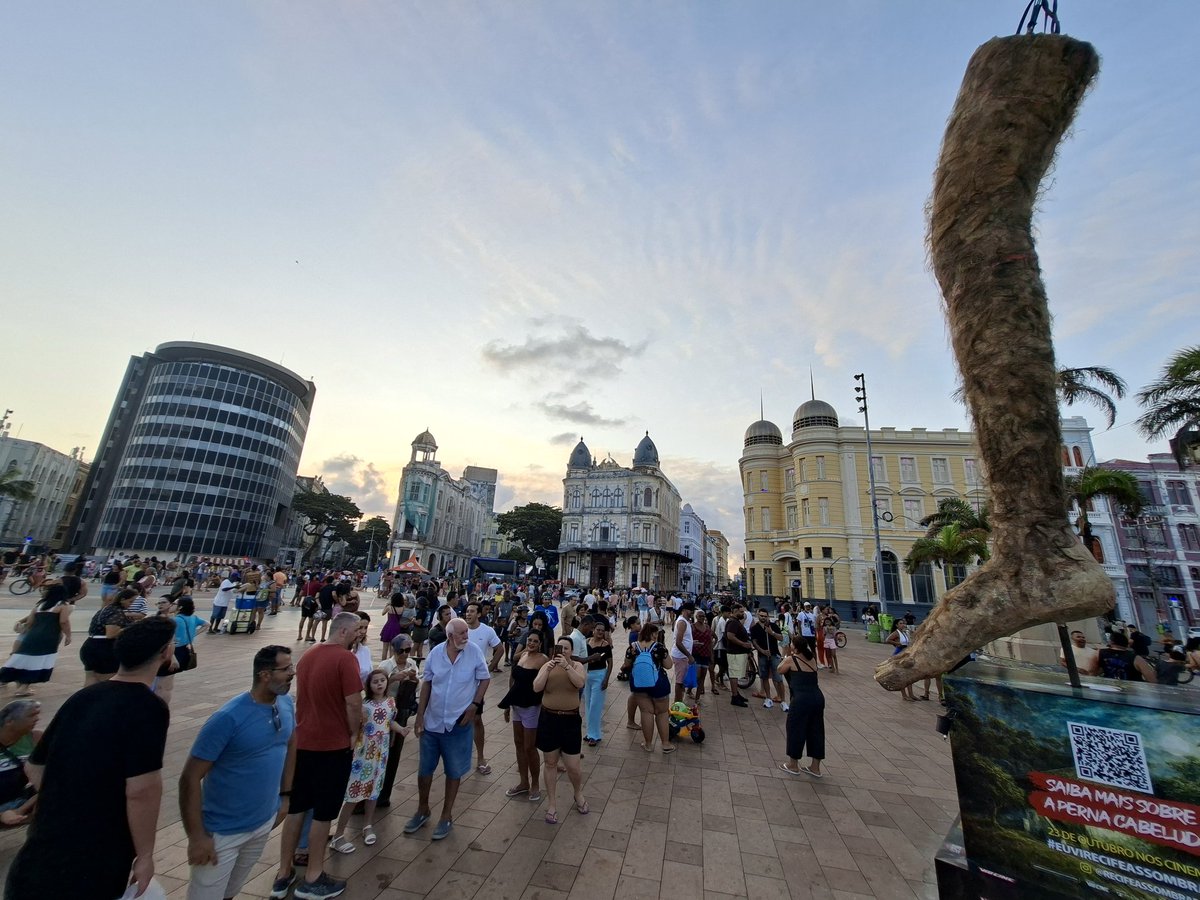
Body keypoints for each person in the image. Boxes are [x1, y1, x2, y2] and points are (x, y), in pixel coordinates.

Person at [5, 617, 174, 899]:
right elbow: (142, 790)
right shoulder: (148, 707)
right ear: (165, 652)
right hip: (95, 856)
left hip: (42, 849)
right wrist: (145, 855)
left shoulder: (84, 696)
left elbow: (35, 767)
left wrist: (67, 801)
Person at [180, 646, 296, 900]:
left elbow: (290, 744)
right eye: (286, 669)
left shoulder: (286, 703)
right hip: (222, 832)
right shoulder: (228, 718)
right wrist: (197, 837)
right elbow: (189, 777)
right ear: (265, 675)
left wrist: (285, 797)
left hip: (262, 822)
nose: (292, 673)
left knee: (231, 892)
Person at [271, 613, 362, 900]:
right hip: (331, 746)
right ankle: (313, 875)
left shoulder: (308, 655)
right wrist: (353, 733)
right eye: (357, 630)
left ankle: (283, 874)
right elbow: (353, 703)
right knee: (323, 814)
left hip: (303, 743)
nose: (359, 635)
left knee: (297, 809)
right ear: (344, 631)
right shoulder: (346, 659)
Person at [405, 618, 490, 841]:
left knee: (454, 771)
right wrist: (420, 715)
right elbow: (428, 684)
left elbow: (484, 679)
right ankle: (423, 809)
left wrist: (475, 705)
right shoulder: (435, 654)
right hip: (432, 723)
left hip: (458, 723)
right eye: (461, 633)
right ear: (450, 636)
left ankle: (446, 815)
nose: (466, 636)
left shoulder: (473, 652)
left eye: (466, 633)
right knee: (425, 770)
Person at [328, 669, 411, 853]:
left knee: (374, 790)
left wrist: (401, 730)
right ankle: (339, 834)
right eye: (375, 681)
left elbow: (389, 722)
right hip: (364, 753)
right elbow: (355, 725)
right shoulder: (364, 706)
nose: (379, 684)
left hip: (380, 755)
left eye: (382, 680)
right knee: (354, 792)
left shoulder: (391, 702)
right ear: (369, 685)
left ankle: (368, 825)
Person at [533, 636, 588, 824]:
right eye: (560, 647)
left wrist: (566, 666)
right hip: (549, 719)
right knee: (549, 763)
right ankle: (552, 804)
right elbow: (536, 686)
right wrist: (548, 669)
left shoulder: (576, 666)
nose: (562, 651)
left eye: (566, 648)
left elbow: (580, 683)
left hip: (570, 720)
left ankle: (578, 793)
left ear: (571, 651)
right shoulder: (547, 666)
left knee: (573, 766)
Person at [499, 629, 548, 802]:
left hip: (532, 708)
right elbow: (514, 681)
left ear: (540, 643)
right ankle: (523, 782)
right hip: (516, 706)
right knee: (519, 744)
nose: (531, 643)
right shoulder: (522, 657)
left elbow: (545, 685)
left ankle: (535, 783)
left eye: (535, 641)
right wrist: (507, 705)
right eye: (529, 640)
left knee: (530, 746)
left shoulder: (543, 660)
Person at [1, 583, 74, 693]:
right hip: (49, 636)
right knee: (37, 661)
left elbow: (30, 622)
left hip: (32, 635)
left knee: (21, 657)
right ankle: (23, 687)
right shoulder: (63, 605)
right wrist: (68, 635)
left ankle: (11, 680)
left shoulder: (40, 605)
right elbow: (63, 621)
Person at [375, 635, 419, 808]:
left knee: (394, 755)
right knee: (381, 752)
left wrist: (414, 679)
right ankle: (373, 794)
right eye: (402, 650)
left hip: (402, 711)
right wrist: (392, 678)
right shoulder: (385, 666)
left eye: (409, 650)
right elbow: (374, 688)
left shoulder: (412, 664)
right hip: (385, 712)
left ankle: (384, 795)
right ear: (395, 649)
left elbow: (418, 685)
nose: (406, 654)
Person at [778, 633, 826, 778]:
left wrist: (788, 655)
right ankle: (815, 767)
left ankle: (793, 765)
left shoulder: (792, 660)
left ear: (795, 647)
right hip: (817, 698)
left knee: (795, 729)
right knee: (816, 731)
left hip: (801, 699)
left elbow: (780, 669)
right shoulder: (811, 659)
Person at [627, 622, 674, 753]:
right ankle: (665, 744)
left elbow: (627, 664)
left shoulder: (633, 647)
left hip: (639, 684)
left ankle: (648, 744)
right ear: (654, 634)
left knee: (646, 712)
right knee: (662, 713)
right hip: (658, 684)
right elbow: (669, 665)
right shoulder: (659, 647)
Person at [79, 586, 137, 686]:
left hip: (89, 645)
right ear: (122, 599)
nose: (131, 605)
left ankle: (88, 700)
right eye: (130, 601)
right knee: (108, 683)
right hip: (104, 649)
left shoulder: (106, 608)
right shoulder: (117, 612)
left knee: (91, 678)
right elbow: (111, 634)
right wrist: (130, 627)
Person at [0, 700, 41, 825]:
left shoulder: (35, 738)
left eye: (37, 714)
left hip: (20, 799)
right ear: (9, 722)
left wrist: (20, 810)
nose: (37, 719)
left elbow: (53, 780)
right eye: (31, 715)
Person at [583, 617, 613, 747]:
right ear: (593, 630)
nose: (600, 632)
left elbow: (610, 663)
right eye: (598, 630)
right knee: (588, 705)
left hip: (599, 675)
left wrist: (606, 679)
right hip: (586, 676)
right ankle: (590, 732)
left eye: (602, 630)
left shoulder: (605, 645)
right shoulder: (586, 642)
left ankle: (594, 735)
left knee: (595, 705)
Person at [750, 608, 787, 710]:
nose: (763, 618)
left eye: (765, 616)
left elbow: (781, 638)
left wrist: (772, 633)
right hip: (763, 656)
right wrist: (762, 651)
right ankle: (768, 698)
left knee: (778, 679)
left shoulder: (773, 626)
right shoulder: (754, 628)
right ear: (758, 615)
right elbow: (754, 642)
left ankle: (783, 701)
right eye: (761, 616)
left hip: (774, 655)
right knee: (764, 677)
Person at [724, 605, 753, 707]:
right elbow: (730, 636)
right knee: (734, 674)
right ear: (735, 611)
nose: (743, 614)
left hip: (738, 652)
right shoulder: (732, 622)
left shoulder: (736, 621)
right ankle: (734, 696)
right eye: (741, 612)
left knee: (736, 674)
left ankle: (737, 694)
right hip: (734, 652)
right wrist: (743, 644)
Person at [669, 602, 696, 704]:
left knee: (682, 681)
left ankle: (680, 702)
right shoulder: (682, 622)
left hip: (683, 656)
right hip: (681, 656)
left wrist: (693, 643)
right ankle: (677, 704)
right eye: (690, 610)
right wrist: (689, 656)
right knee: (679, 682)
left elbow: (684, 639)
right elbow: (678, 642)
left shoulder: (686, 621)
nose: (692, 613)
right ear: (684, 610)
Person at [885, 620, 918, 700]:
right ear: (896, 625)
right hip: (899, 652)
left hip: (906, 653)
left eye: (904, 623)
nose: (903, 625)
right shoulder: (896, 633)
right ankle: (904, 695)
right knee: (902, 675)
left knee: (909, 675)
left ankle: (911, 694)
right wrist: (897, 644)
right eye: (901, 623)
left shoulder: (905, 632)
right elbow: (887, 640)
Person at [691, 610, 714, 697]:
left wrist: (711, 655)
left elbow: (710, 642)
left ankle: (697, 698)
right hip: (695, 653)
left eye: (703, 616)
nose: (702, 618)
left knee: (703, 677)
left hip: (705, 654)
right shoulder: (692, 627)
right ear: (696, 617)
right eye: (700, 616)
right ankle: (690, 689)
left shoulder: (707, 627)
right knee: (697, 675)